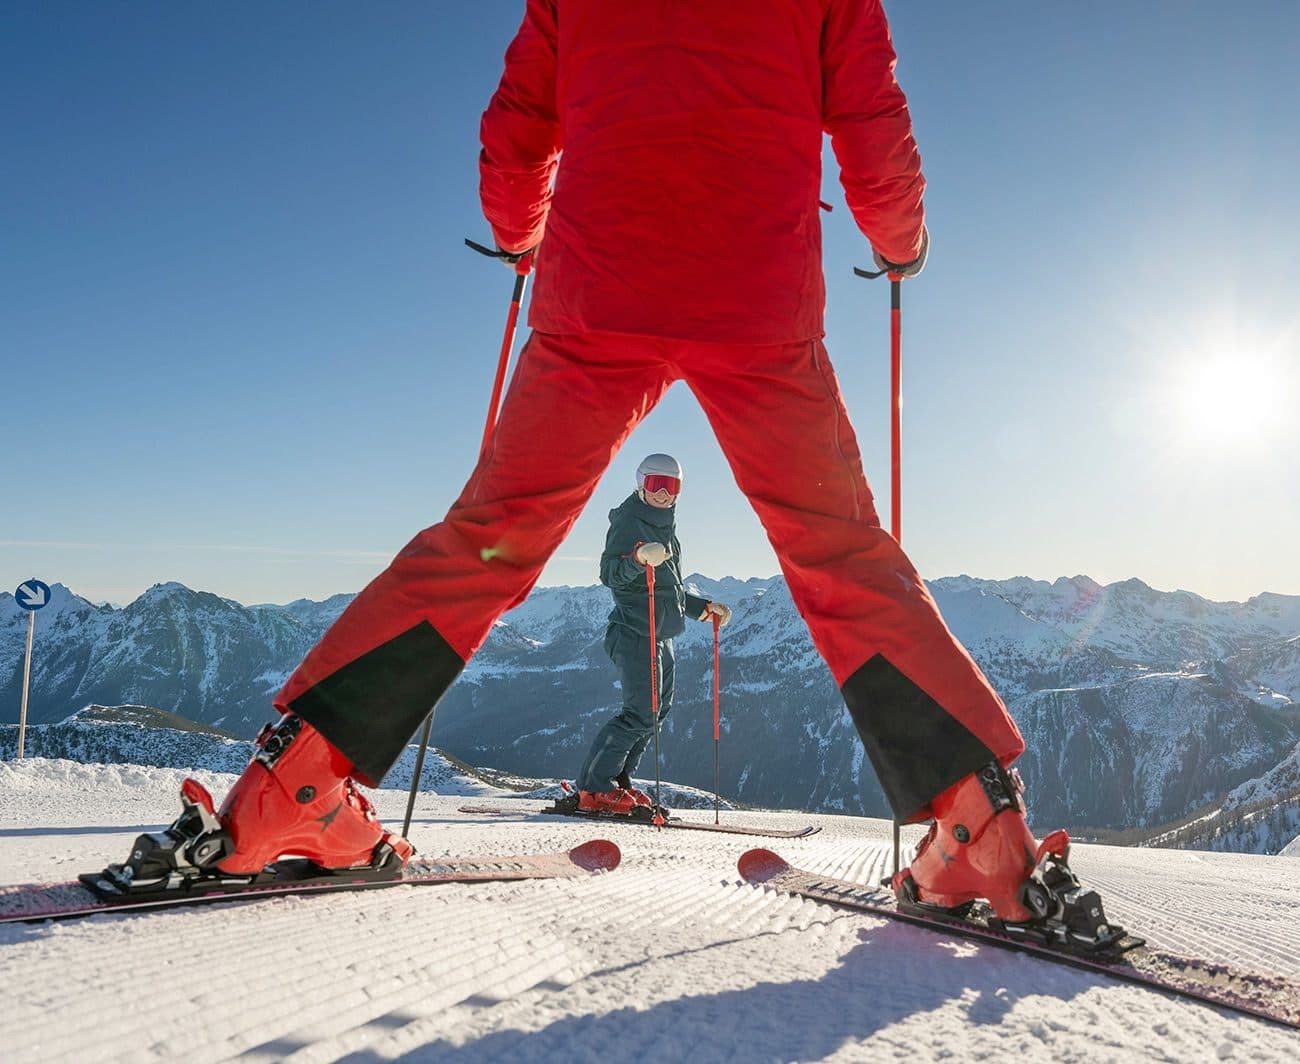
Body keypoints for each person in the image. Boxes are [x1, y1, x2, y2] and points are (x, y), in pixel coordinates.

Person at [150, 1, 1102, 931]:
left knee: (487, 537)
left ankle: (296, 783)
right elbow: (872, 124)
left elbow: (519, 126)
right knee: (842, 555)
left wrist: (518, 231)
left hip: (598, 292)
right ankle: (977, 829)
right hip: (757, 300)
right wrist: (900, 245)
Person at [566, 453, 731, 816]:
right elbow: (610, 574)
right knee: (640, 713)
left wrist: (701, 608)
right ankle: (595, 788)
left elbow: (665, 588)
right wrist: (638, 560)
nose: (662, 492)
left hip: (660, 631)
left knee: (656, 714)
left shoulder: (665, 525)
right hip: (634, 631)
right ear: (642, 484)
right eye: (656, 484)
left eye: (670, 485)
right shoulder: (629, 520)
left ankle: (618, 784)